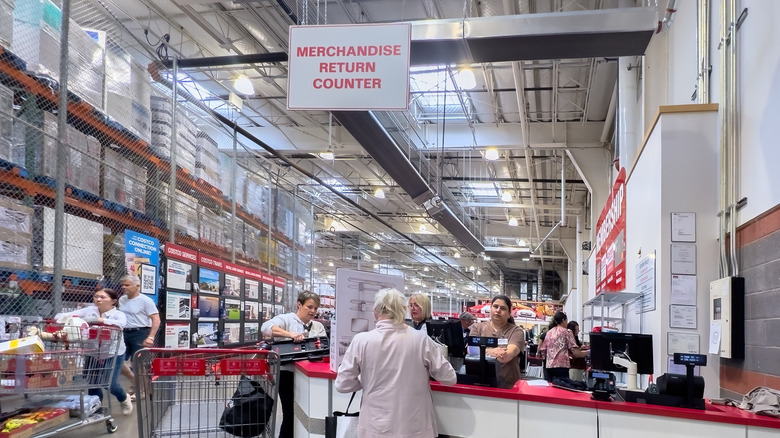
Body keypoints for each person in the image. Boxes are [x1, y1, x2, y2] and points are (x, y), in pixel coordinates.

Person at [335, 288, 456, 438]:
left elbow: (342, 384)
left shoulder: (361, 340)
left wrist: (364, 379)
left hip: (374, 426)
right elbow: (449, 378)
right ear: (403, 310)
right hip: (415, 426)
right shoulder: (421, 339)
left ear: (375, 311)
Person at [54, 289, 133, 415]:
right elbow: (69, 315)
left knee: (110, 384)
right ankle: (96, 407)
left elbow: (121, 324)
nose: (98, 299)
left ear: (113, 301)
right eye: (96, 296)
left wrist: (100, 321)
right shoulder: (89, 310)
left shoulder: (118, 315)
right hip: (93, 351)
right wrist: (62, 318)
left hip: (112, 352)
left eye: (102, 297)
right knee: (93, 383)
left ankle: (124, 398)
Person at [261, 291, 326, 438]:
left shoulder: (318, 326)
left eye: (315, 308)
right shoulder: (286, 319)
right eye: (309, 307)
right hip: (287, 373)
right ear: (299, 304)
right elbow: (265, 328)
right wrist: (290, 335)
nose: (313, 311)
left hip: (310, 377)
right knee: (290, 413)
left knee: (305, 413)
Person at [118, 274, 160, 401]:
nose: (124, 287)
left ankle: (140, 391)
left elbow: (156, 319)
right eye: (123, 285)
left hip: (140, 332)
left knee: (138, 364)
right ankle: (137, 384)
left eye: (127, 285)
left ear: (137, 286)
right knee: (118, 361)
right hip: (124, 333)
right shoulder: (122, 299)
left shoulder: (145, 301)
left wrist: (151, 337)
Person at [468, 295, 525, 388]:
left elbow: (506, 356)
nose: (498, 310)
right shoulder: (477, 328)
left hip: (508, 385)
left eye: (503, 308)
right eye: (495, 306)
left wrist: (482, 350)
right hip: (480, 382)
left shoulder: (516, 331)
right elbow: (471, 351)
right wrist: (491, 351)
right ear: (490, 309)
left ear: (509, 313)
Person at [539, 311, 587, 382]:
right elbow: (575, 352)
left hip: (549, 367)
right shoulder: (567, 332)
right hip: (561, 367)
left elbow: (543, 350)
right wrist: (588, 352)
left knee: (551, 389)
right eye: (566, 320)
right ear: (563, 320)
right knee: (562, 389)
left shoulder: (549, 333)